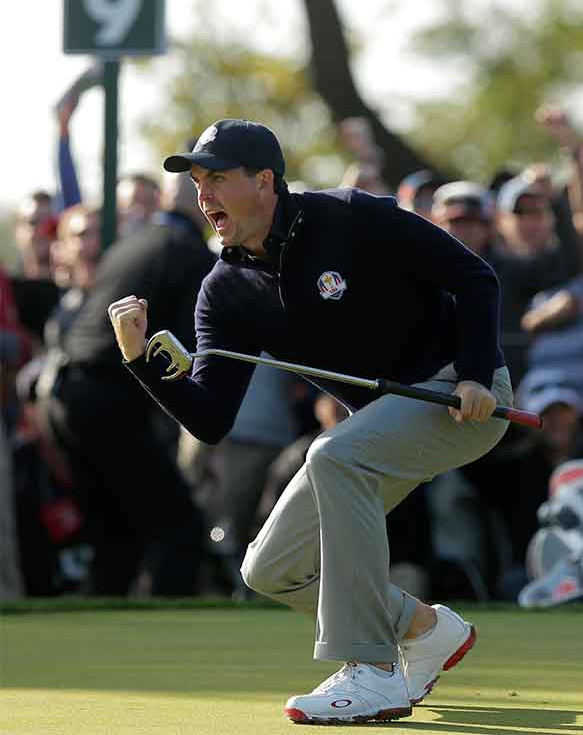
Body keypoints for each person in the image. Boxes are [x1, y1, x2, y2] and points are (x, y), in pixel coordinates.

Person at [108, 119, 512, 725]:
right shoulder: (224, 290)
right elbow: (211, 419)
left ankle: (372, 670)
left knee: (331, 453)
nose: (204, 196)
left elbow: (475, 276)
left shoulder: (349, 215)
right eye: (197, 182)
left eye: (217, 178)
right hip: (377, 426)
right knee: (269, 568)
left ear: (265, 180)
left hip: (461, 396)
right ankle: (426, 631)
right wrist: (140, 361)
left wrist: (478, 373)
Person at [42, 169, 213, 598]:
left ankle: (98, 633)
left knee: (115, 532)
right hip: (107, 397)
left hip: (67, 396)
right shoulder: (187, 249)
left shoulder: (128, 246)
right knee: (180, 528)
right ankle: (169, 641)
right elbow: (191, 349)